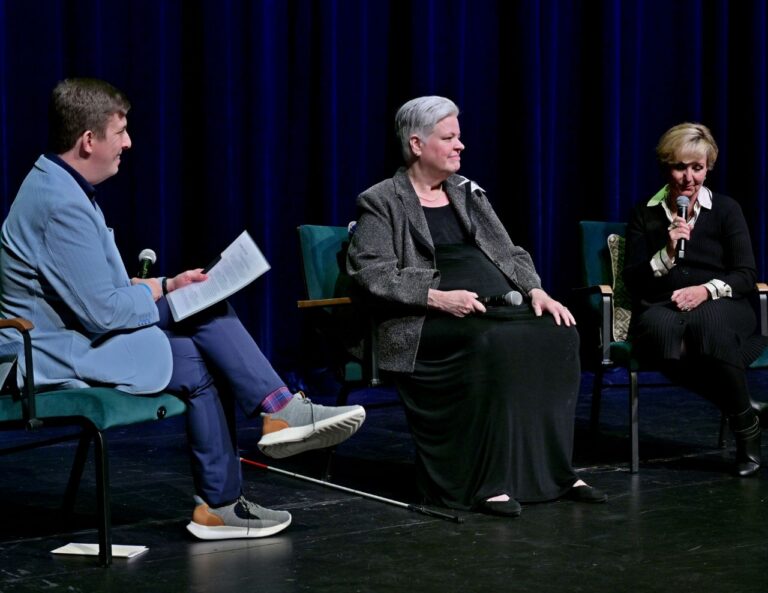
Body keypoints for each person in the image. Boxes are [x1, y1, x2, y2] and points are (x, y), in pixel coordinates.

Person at [0, 78, 366, 540]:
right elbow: (104, 314)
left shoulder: (59, 184)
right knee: (205, 326)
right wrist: (167, 295)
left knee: (202, 326)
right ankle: (263, 434)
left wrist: (166, 284)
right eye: (120, 133)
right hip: (56, 353)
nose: (128, 143)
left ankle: (234, 483)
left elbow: (92, 287)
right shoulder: (59, 203)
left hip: (79, 335)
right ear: (88, 140)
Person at [346, 96, 606, 517]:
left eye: (459, 137)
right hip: (422, 319)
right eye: (449, 138)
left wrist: (537, 290)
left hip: (490, 308)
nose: (460, 146)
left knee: (560, 332)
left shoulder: (467, 192)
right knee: (494, 344)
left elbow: (511, 253)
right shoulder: (381, 200)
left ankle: (555, 472)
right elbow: (371, 274)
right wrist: (436, 297)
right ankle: (483, 483)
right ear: (416, 144)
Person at [623, 122, 767, 477]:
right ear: (666, 167)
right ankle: (745, 411)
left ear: (708, 167)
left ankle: (746, 438)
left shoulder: (727, 209)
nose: (688, 178)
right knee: (657, 334)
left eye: (697, 168)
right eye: (680, 167)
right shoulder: (644, 211)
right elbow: (634, 279)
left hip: (723, 302)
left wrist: (705, 291)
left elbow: (745, 274)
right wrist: (667, 253)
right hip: (663, 305)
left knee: (709, 325)